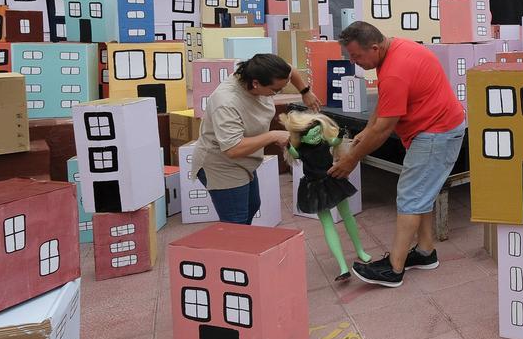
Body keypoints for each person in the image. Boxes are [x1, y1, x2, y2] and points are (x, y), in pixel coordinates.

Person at [328, 22, 466, 288]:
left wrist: (350, 160)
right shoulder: (397, 48)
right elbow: (385, 103)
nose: (355, 63)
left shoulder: (394, 70)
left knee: (410, 195)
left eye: (356, 56)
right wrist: (365, 130)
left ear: (375, 47)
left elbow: (383, 130)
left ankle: (394, 268)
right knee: (421, 191)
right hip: (437, 128)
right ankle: (425, 252)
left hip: (436, 133)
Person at [191, 54, 322, 225]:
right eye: (275, 90)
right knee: (236, 220)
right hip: (221, 164)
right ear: (255, 83)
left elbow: (290, 71)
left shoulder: (267, 72)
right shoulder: (226, 102)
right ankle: (234, 249)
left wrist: (305, 92)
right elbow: (233, 149)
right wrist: (273, 135)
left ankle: (244, 245)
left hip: (246, 159)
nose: (278, 93)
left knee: (253, 205)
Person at [278, 110, 371, 282]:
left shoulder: (323, 143)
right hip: (314, 188)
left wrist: (341, 133)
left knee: (347, 216)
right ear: (302, 137)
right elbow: (294, 154)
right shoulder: (302, 150)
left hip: (332, 180)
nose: (315, 137)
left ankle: (360, 250)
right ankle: (343, 266)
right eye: (311, 135)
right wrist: (288, 145)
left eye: (317, 132)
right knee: (328, 224)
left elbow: (335, 141)